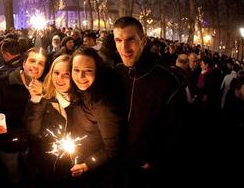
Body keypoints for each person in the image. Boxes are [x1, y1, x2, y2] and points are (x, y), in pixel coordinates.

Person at [113, 16, 187, 188]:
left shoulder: (168, 81)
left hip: (149, 175)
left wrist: (155, 160)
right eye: (118, 40)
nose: (124, 48)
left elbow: (179, 131)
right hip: (116, 169)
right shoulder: (115, 74)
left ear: (143, 40)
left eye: (131, 39)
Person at [0, 47, 47, 187]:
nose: (36, 66)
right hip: (8, 144)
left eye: (41, 63)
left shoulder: (46, 86)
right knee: (13, 175)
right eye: (32, 61)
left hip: (33, 146)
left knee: (31, 175)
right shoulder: (3, 83)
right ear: (23, 63)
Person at [67, 47, 123, 187]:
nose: (80, 77)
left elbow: (113, 149)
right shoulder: (79, 93)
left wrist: (87, 165)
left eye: (88, 71)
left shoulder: (102, 104)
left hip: (97, 176)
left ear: (97, 72)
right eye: (76, 70)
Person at [26, 54, 73, 187]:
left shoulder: (80, 100)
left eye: (66, 74)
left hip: (71, 166)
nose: (60, 79)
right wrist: (36, 100)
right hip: (45, 164)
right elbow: (32, 131)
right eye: (56, 73)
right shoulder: (44, 97)